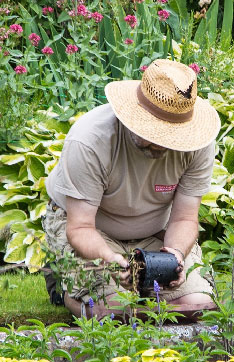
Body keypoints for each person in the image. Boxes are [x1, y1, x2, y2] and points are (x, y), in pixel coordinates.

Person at [42, 59, 219, 320]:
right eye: (155, 133)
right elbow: (80, 227)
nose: (162, 144)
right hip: (93, 233)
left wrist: (176, 256)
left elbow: (183, 218)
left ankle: (138, 294)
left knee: (198, 306)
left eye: (172, 136)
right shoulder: (91, 140)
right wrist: (108, 258)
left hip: (155, 232)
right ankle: (65, 287)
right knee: (110, 311)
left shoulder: (199, 144)